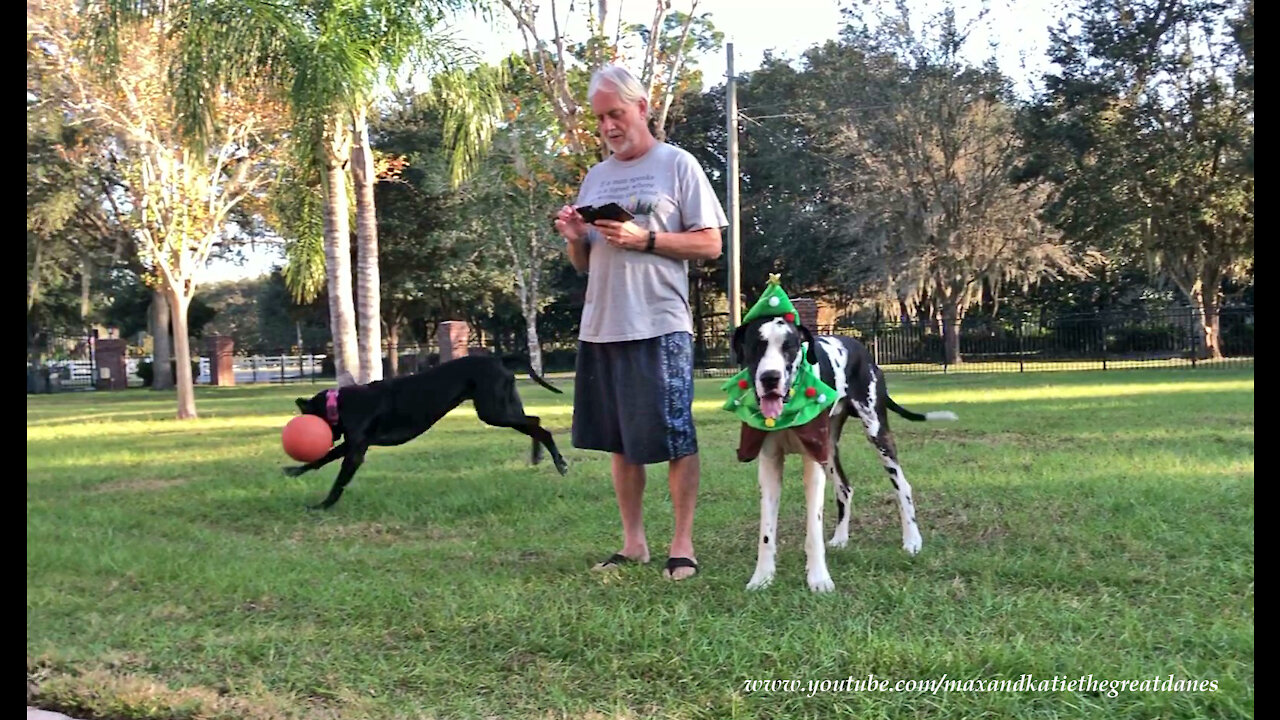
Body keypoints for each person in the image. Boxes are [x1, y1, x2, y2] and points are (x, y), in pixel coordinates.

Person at [553, 64, 727, 581]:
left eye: (616, 113)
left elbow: (710, 243)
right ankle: (633, 544)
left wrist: (644, 238)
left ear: (643, 108)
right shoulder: (597, 176)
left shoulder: (677, 164)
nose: (608, 126)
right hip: (602, 324)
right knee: (619, 440)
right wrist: (573, 237)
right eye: (600, 118)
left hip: (659, 323)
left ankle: (683, 544)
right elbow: (586, 263)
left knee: (675, 436)